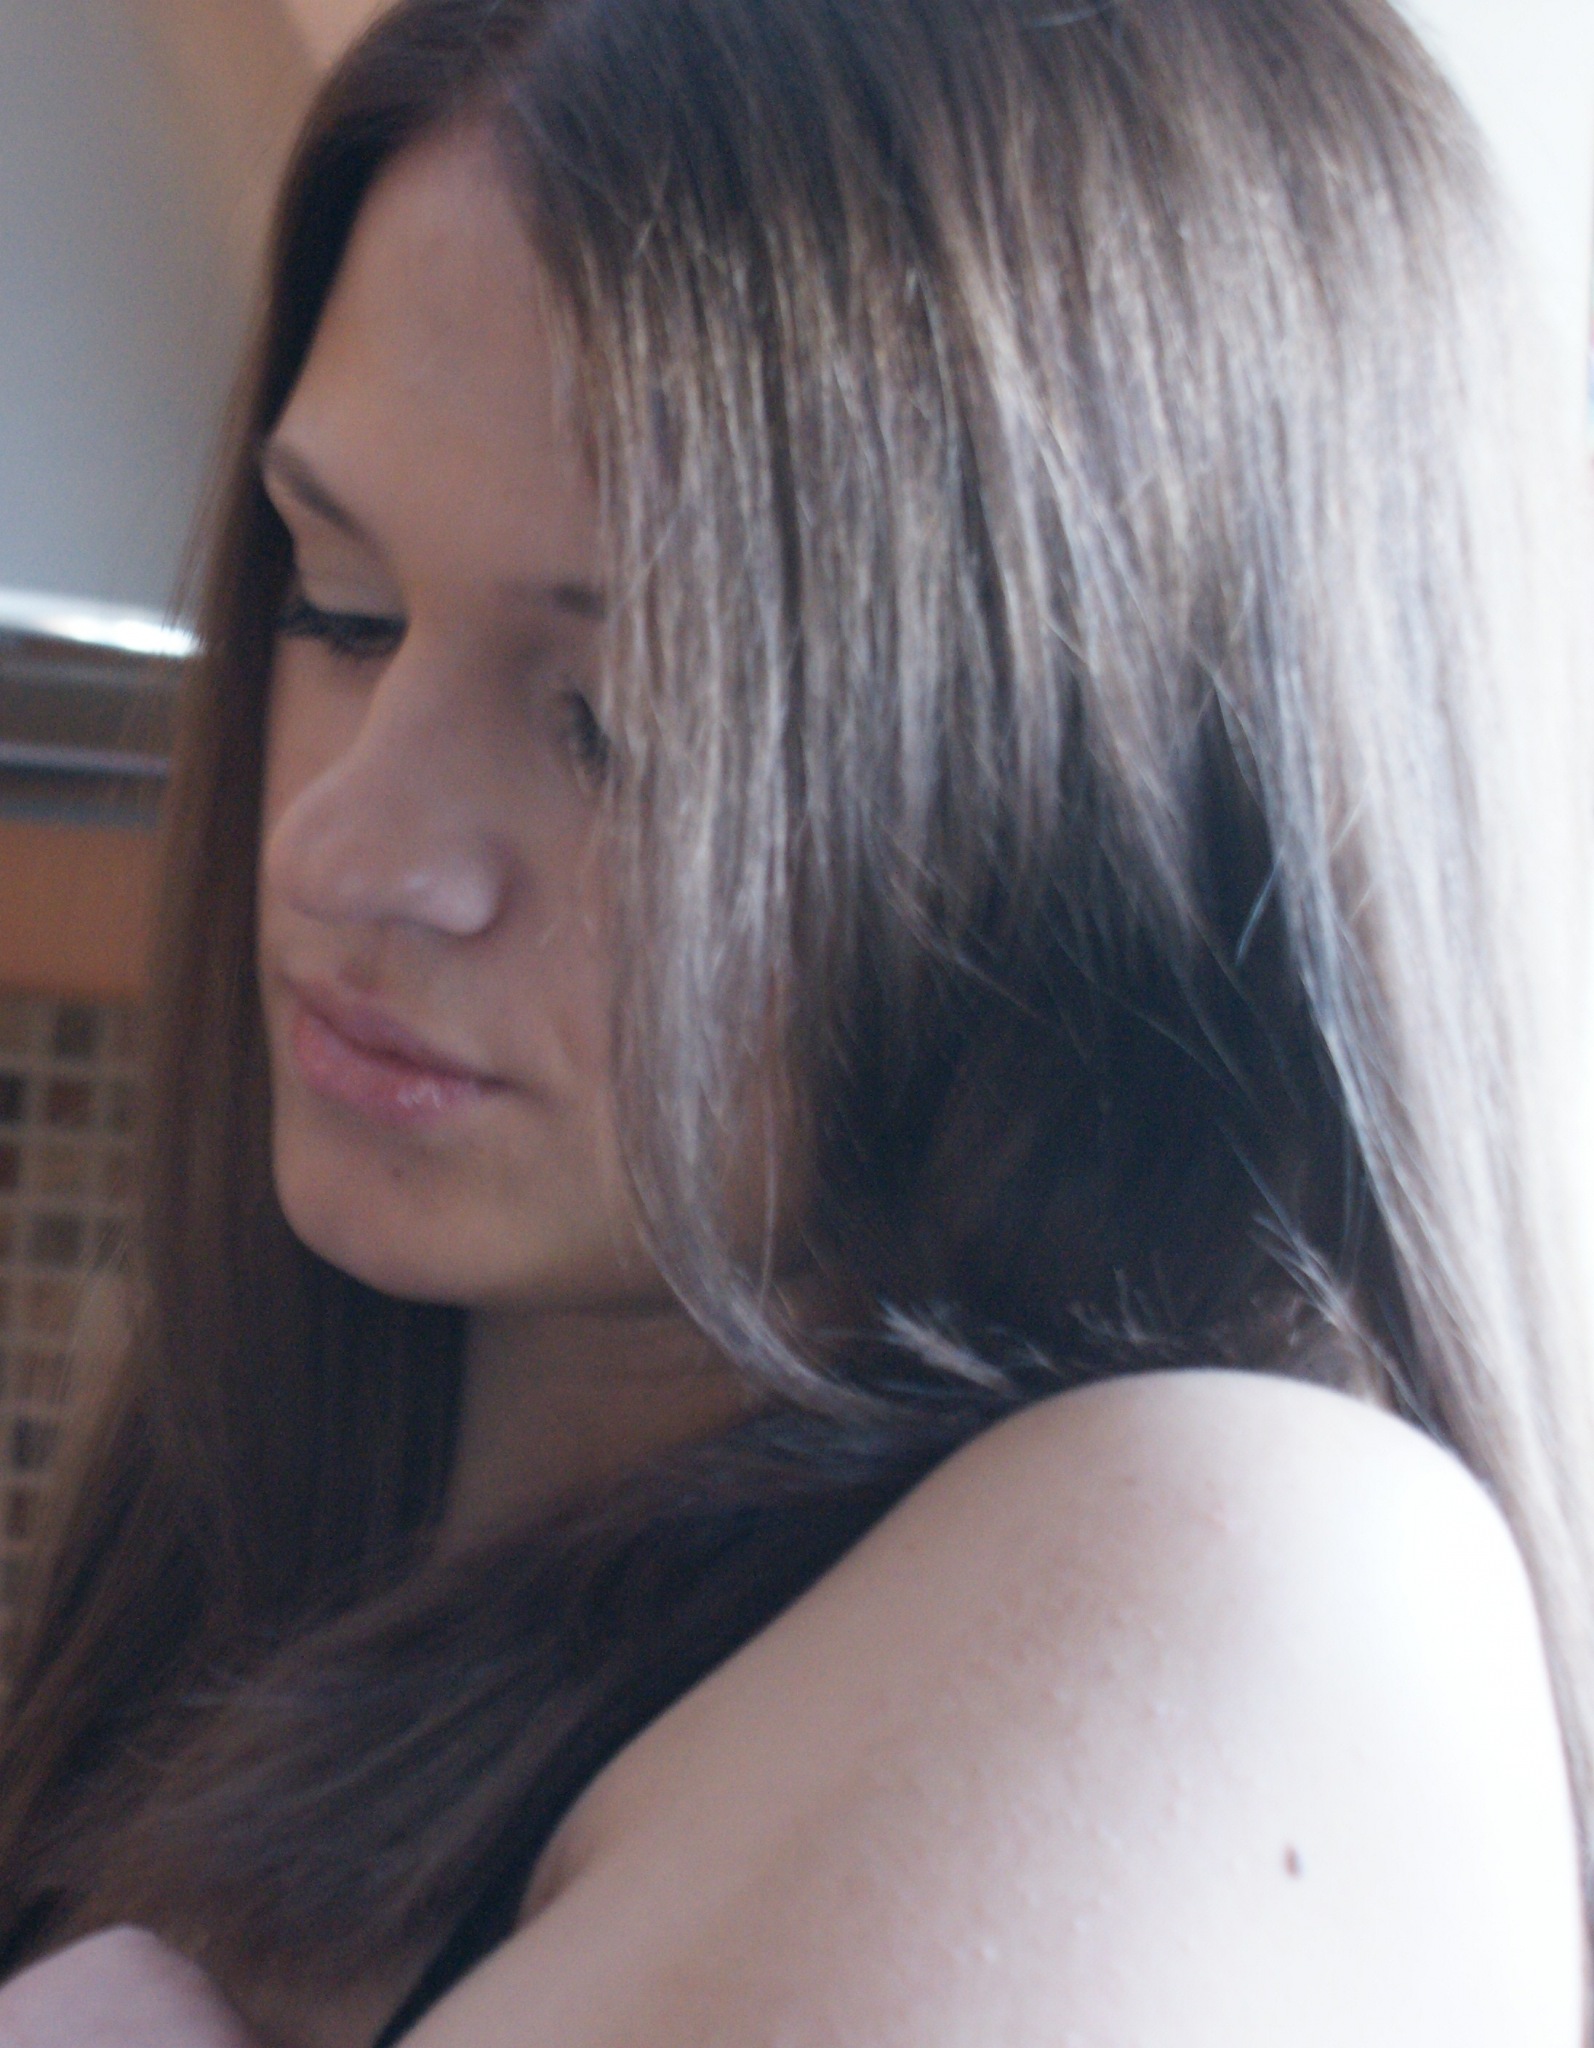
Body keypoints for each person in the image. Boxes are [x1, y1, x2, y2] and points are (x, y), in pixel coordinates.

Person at [0, 0, 1590, 2041]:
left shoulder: (1251, 1558)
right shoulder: (308, 1539)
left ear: (1122, 823)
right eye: (341, 606)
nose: (346, 848)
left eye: (622, 720)